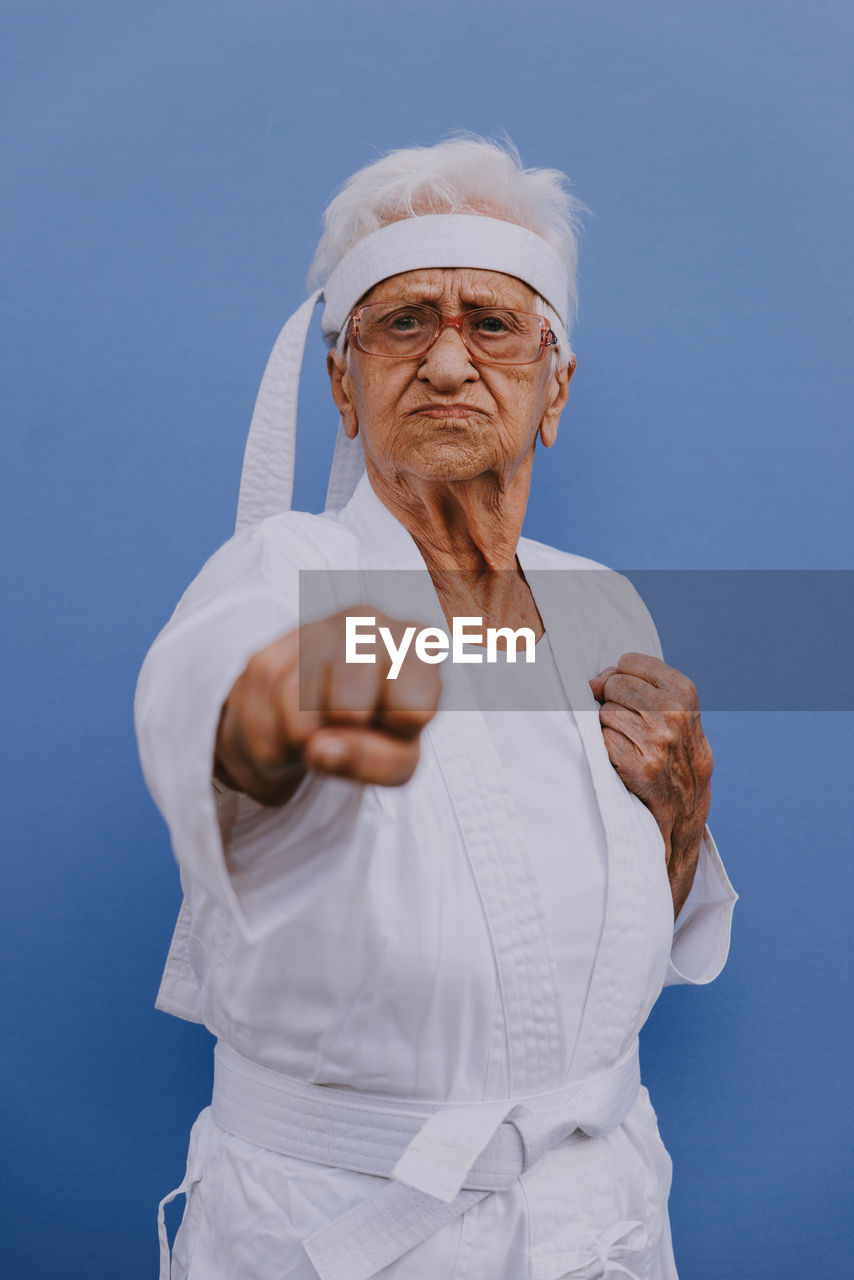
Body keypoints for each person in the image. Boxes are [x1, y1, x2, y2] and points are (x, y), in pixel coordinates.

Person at [136, 137, 737, 1280]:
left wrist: (680, 819)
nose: (449, 362)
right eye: (404, 320)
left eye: (492, 324)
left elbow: (598, 974)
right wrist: (274, 710)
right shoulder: (285, 576)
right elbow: (207, 683)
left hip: (598, 1219)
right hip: (338, 1230)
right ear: (342, 381)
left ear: (552, 385)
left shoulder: (599, 606)